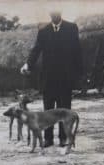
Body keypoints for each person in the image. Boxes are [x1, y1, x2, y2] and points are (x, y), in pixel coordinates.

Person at [21, 11, 83, 147]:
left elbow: (77, 51)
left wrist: (79, 76)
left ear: (60, 12)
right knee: (47, 111)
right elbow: (36, 50)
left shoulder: (71, 28)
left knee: (64, 109)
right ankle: (48, 138)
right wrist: (28, 64)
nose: (54, 15)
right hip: (48, 79)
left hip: (65, 79)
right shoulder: (43, 31)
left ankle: (63, 138)